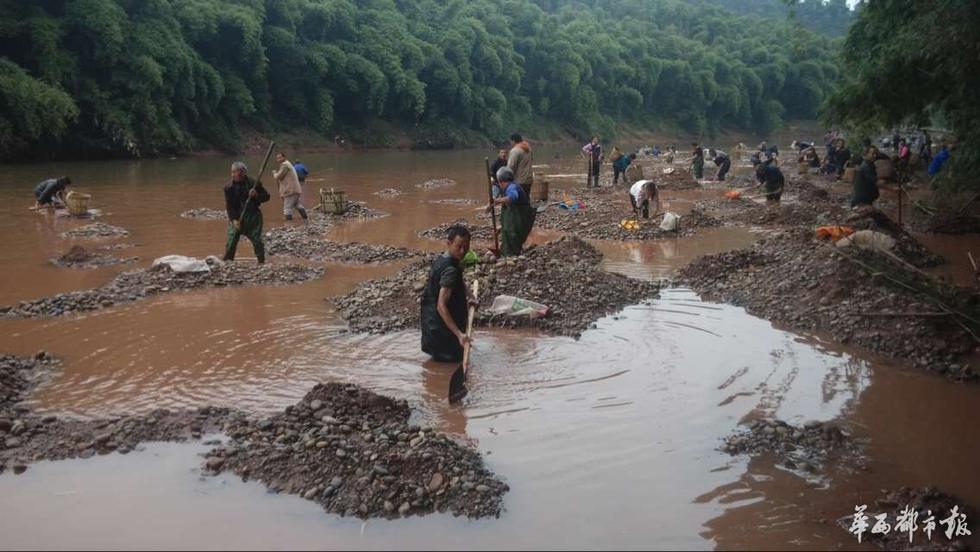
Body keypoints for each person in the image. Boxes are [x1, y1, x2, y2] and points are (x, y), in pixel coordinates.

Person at [420, 225, 472, 363]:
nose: (463, 251)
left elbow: (457, 283)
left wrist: (471, 296)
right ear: (448, 244)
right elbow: (441, 306)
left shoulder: (443, 259)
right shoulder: (450, 270)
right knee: (449, 364)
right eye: (459, 247)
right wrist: (459, 334)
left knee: (437, 362)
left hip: (432, 323)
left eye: (466, 247)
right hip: (441, 329)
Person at [224, 161, 270, 263]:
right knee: (231, 240)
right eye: (232, 172)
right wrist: (234, 220)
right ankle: (227, 262)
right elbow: (229, 206)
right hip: (237, 216)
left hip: (253, 216)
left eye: (235, 172)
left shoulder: (253, 183)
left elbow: (266, 197)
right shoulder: (228, 187)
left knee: (257, 240)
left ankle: (261, 262)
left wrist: (256, 195)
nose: (233, 175)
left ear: (242, 173)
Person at [491, 167, 536, 257]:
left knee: (513, 235)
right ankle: (507, 252)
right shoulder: (509, 186)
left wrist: (498, 201)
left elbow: (513, 197)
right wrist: (501, 227)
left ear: (501, 181)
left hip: (521, 217)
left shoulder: (512, 187)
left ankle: (511, 256)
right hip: (515, 218)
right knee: (508, 233)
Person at [271, 151, 308, 221]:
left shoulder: (284, 165)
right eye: (277, 158)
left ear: (284, 157)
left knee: (287, 208)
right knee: (297, 205)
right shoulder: (288, 164)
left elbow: (278, 176)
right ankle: (305, 219)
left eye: (280, 157)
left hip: (290, 191)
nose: (279, 159)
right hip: (296, 189)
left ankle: (288, 224)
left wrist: (274, 173)